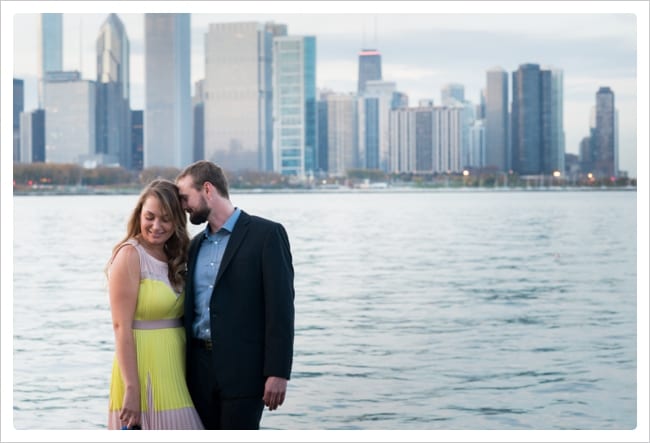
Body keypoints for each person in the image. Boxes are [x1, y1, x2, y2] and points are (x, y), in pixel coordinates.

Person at [176, 160, 295, 430]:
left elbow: (281, 309)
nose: (183, 206)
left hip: (245, 373)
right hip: (197, 372)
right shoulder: (194, 246)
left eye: (185, 197)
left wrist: (278, 372)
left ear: (207, 189)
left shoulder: (267, 235)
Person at [106, 179, 204, 430]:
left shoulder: (177, 256)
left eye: (166, 219)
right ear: (139, 214)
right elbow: (120, 327)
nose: (156, 226)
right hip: (142, 368)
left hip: (175, 367)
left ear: (177, 222)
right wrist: (132, 388)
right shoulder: (130, 255)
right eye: (149, 217)